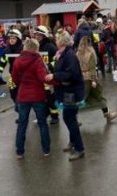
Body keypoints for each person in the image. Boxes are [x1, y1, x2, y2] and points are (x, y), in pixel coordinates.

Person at [45, 32, 86, 161]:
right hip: (67, 91)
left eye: (57, 39)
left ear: (62, 42)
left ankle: (80, 149)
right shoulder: (62, 54)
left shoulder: (69, 55)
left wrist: (55, 76)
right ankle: (73, 143)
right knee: (70, 118)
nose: (55, 40)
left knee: (69, 118)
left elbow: (71, 74)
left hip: (71, 92)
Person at [12, 38, 52, 159]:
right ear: (36, 48)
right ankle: (46, 150)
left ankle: (20, 152)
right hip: (38, 95)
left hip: (23, 96)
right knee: (42, 124)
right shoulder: (38, 60)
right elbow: (42, 78)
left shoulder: (17, 60)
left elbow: (14, 79)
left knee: (22, 124)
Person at [77, 36, 117, 122]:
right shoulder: (90, 53)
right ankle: (107, 115)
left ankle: (74, 118)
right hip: (89, 78)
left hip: (81, 78)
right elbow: (92, 68)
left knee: (81, 98)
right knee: (98, 96)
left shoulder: (78, 53)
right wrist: (94, 80)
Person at [34, 25, 60, 125]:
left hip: (48, 77)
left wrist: (49, 65)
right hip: (39, 77)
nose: (37, 37)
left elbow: (57, 61)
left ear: (44, 36)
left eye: (39, 35)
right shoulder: (35, 46)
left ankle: (55, 116)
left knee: (50, 98)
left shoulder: (50, 47)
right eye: (36, 35)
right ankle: (44, 115)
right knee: (41, 98)